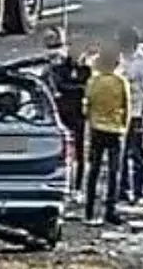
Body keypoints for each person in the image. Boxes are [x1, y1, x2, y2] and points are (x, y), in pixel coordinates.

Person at [83, 42, 131, 225]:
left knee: (93, 170)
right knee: (114, 171)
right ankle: (110, 210)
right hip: (116, 130)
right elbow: (126, 107)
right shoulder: (121, 82)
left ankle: (89, 209)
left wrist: (91, 122)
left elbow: (87, 105)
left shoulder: (93, 81)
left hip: (96, 128)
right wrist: (124, 127)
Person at [116, 25, 143, 207]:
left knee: (137, 154)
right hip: (120, 113)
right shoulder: (119, 59)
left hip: (137, 112)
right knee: (121, 154)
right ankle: (123, 190)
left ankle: (140, 192)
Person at [50, 42, 92, 198]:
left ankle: (78, 187)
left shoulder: (87, 70)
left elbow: (88, 87)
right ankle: (62, 184)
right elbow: (60, 85)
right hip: (63, 113)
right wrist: (78, 88)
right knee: (62, 151)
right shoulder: (60, 69)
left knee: (81, 153)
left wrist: (74, 87)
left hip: (79, 114)